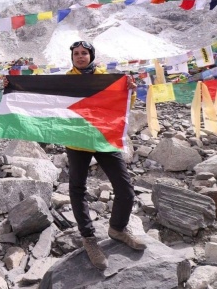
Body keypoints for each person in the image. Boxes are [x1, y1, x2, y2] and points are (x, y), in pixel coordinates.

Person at [66, 40, 145, 270]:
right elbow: (42, 99)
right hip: (77, 140)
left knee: (125, 189)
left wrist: (130, 89)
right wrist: (13, 85)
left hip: (103, 137)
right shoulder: (64, 81)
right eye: (76, 53)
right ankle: (89, 238)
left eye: (84, 53)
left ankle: (117, 229)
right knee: (77, 188)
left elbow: (125, 104)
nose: (80, 56)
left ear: (91, 55)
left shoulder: (107, 78)